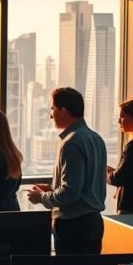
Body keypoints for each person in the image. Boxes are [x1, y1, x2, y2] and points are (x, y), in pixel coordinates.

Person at [27, 87, 107, 254]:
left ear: (63, 111)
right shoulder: (96, 139)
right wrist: (52, 189)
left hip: (73, 226)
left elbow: (70, 192)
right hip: (93, 223)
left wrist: (42, 197)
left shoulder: (71, 142)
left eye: (52, 109)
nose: (51, 115)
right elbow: (85, 185)